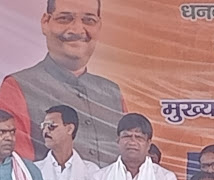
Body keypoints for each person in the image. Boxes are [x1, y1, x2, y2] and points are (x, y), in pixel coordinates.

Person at [0, 0, 125, 166]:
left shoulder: (111, 92)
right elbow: (19, 167)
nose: (77, 30)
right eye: (65, 18)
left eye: (89, 20)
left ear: (99, 26)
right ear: (46, 22)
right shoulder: (18, 86)